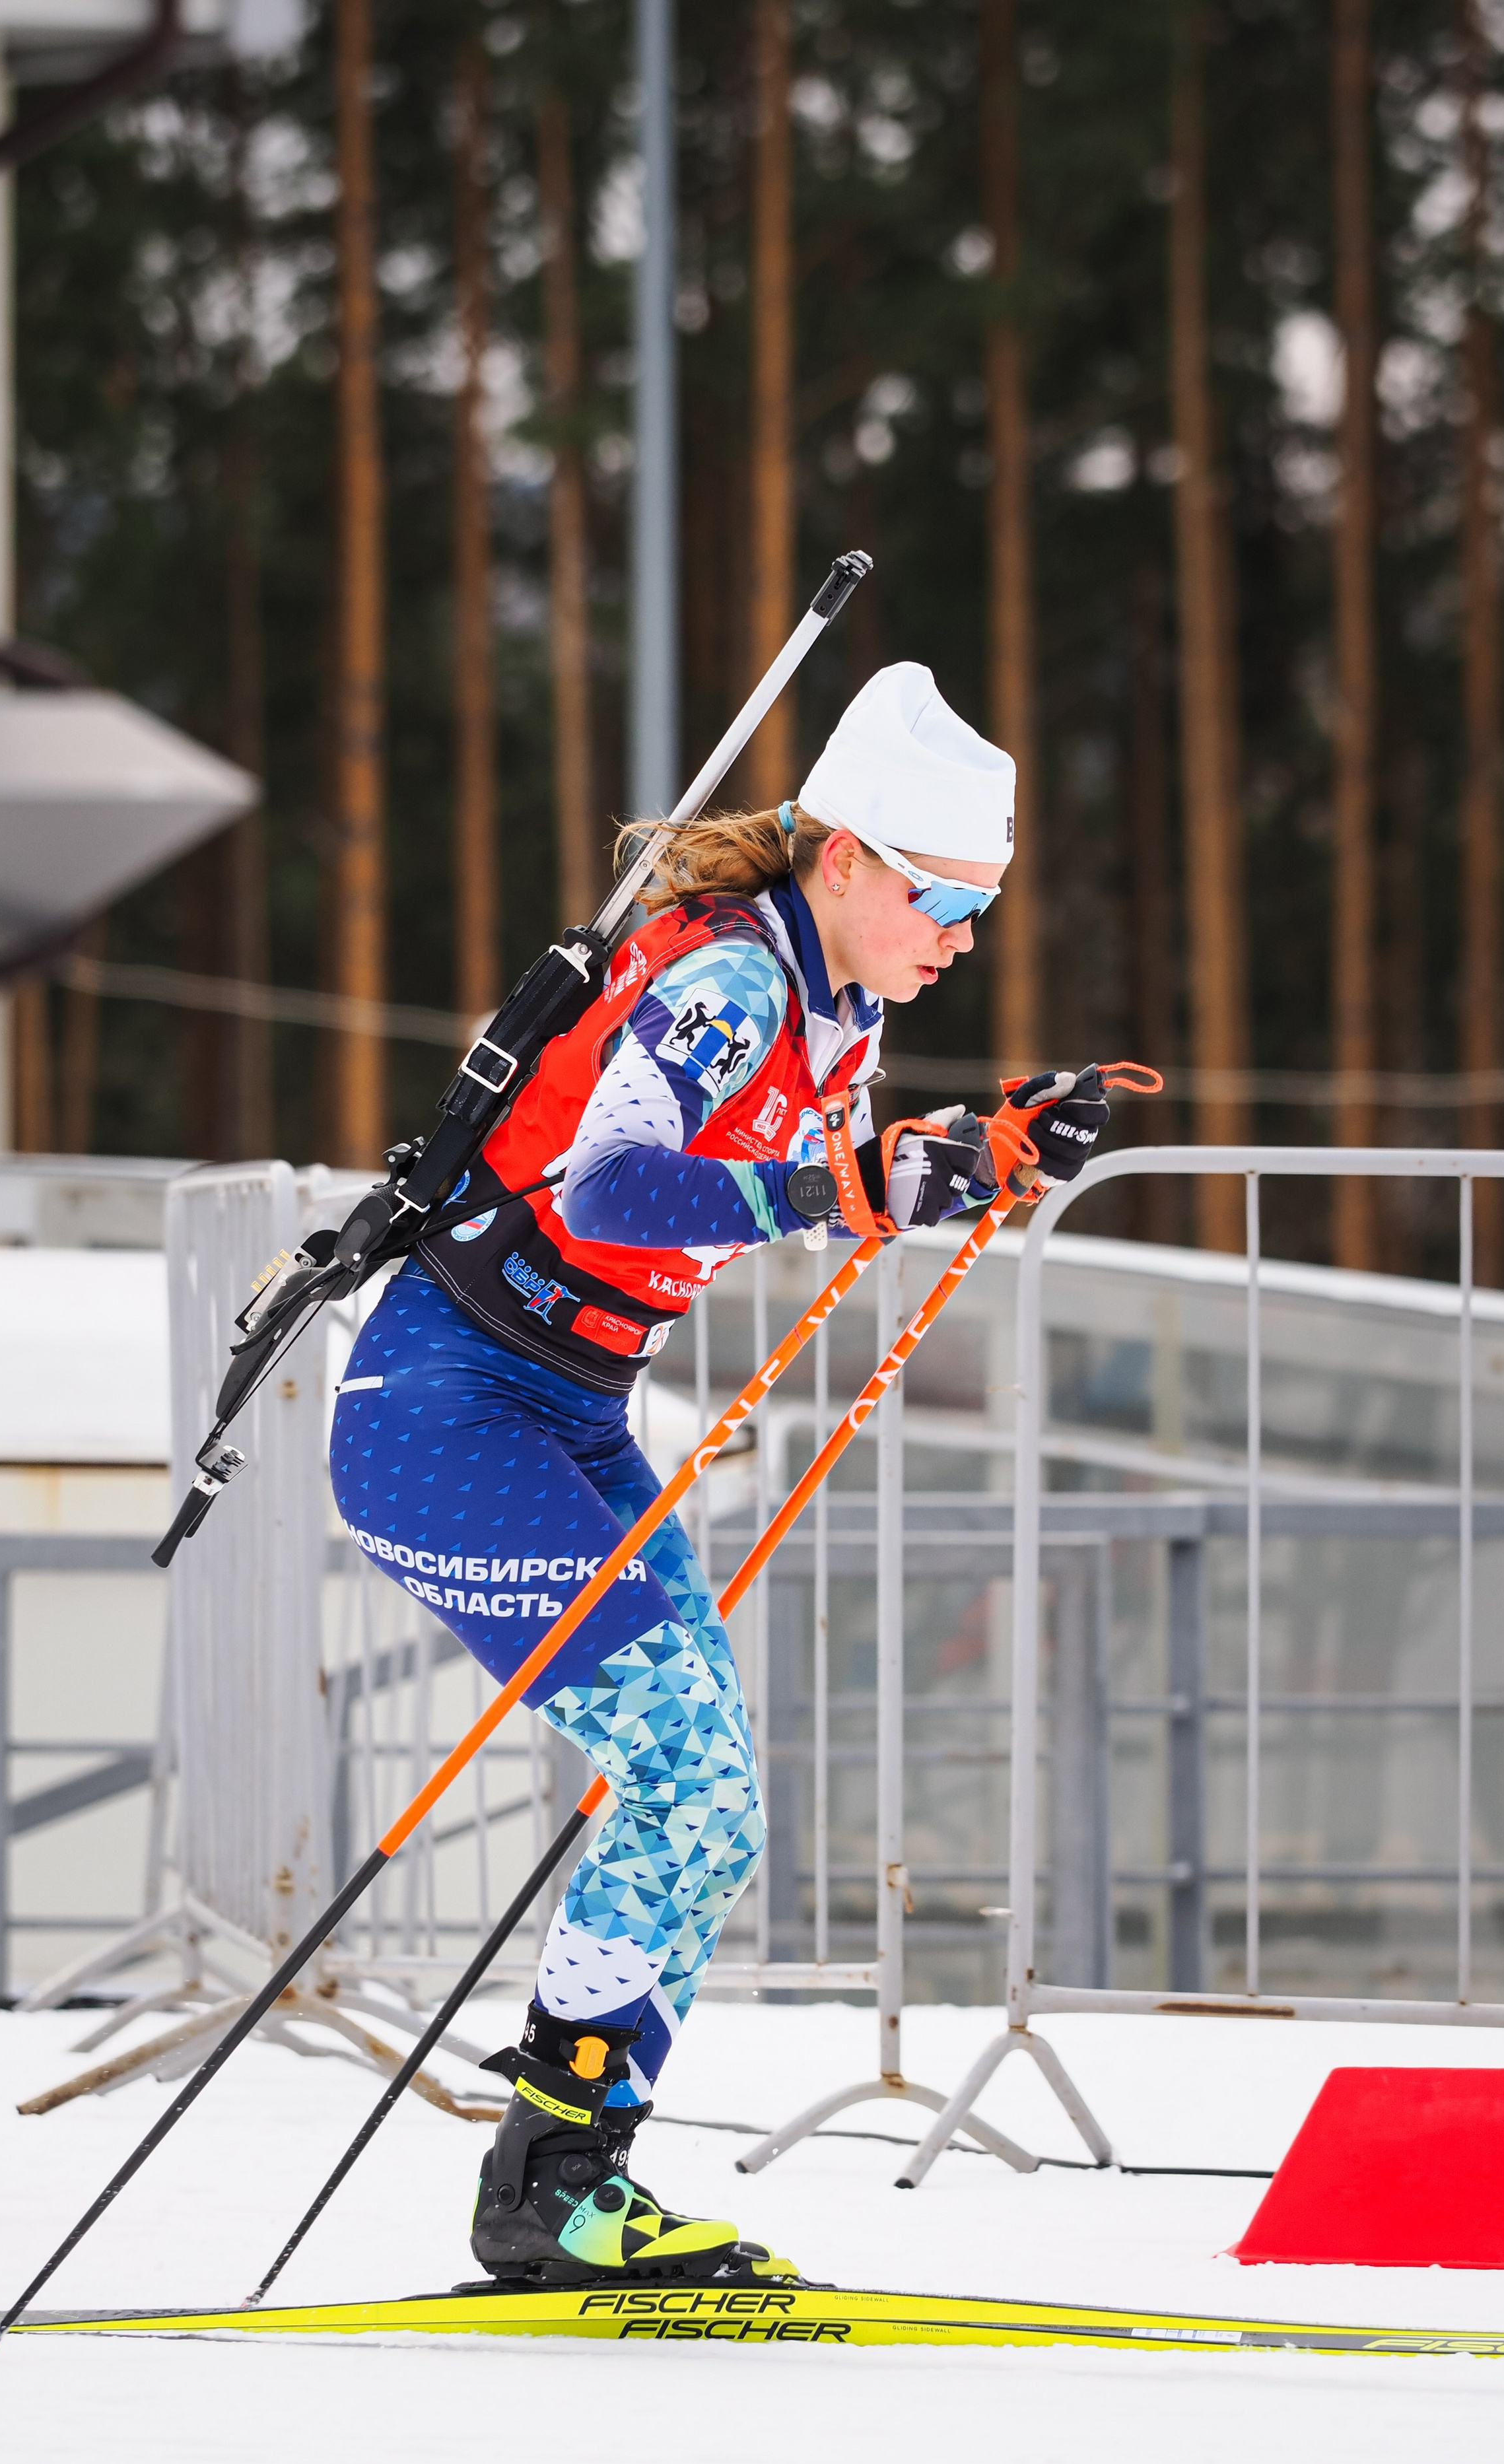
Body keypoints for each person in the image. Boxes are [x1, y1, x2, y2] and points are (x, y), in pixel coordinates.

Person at [328, 662, 1109, 2286]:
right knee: (687, 1778)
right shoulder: (736, 984)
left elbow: (810, 1173)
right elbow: (610, 1186)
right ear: (840, 855)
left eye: (984, 900)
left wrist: (983, 1149)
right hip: (446, 1414)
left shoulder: (845, 998)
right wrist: (862, 1176)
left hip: (571, 1412)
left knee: (711, 1803)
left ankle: (560, 2176)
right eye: (941, 893)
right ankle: (549, 2194)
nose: (962, 932)